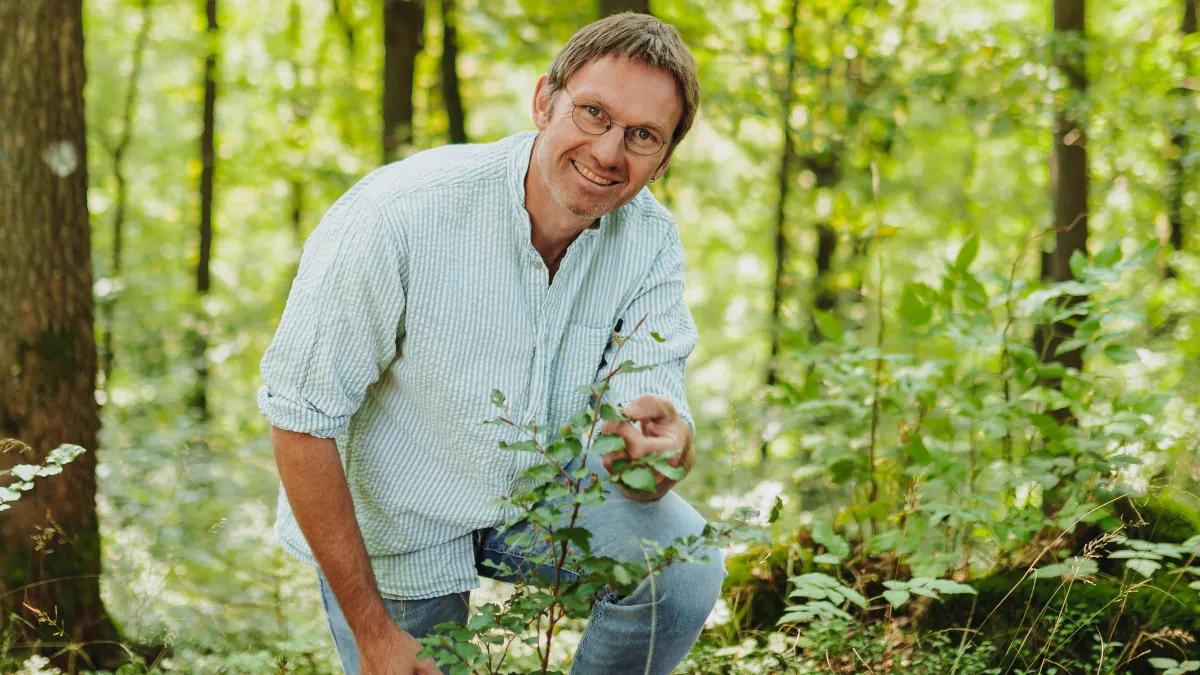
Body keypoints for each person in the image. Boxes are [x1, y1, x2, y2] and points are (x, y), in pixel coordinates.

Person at [259, 12, 724, 675]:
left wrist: (664, 446)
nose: (609, 152)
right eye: (593, 113)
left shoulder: (650, 240)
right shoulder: (398, 215)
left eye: (642, 135)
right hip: (397, 520)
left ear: (664, 157)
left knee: (682, 565)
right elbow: (299, 422)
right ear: (545, 100)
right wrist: (374, 632)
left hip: (535, 489)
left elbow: (647, 400)